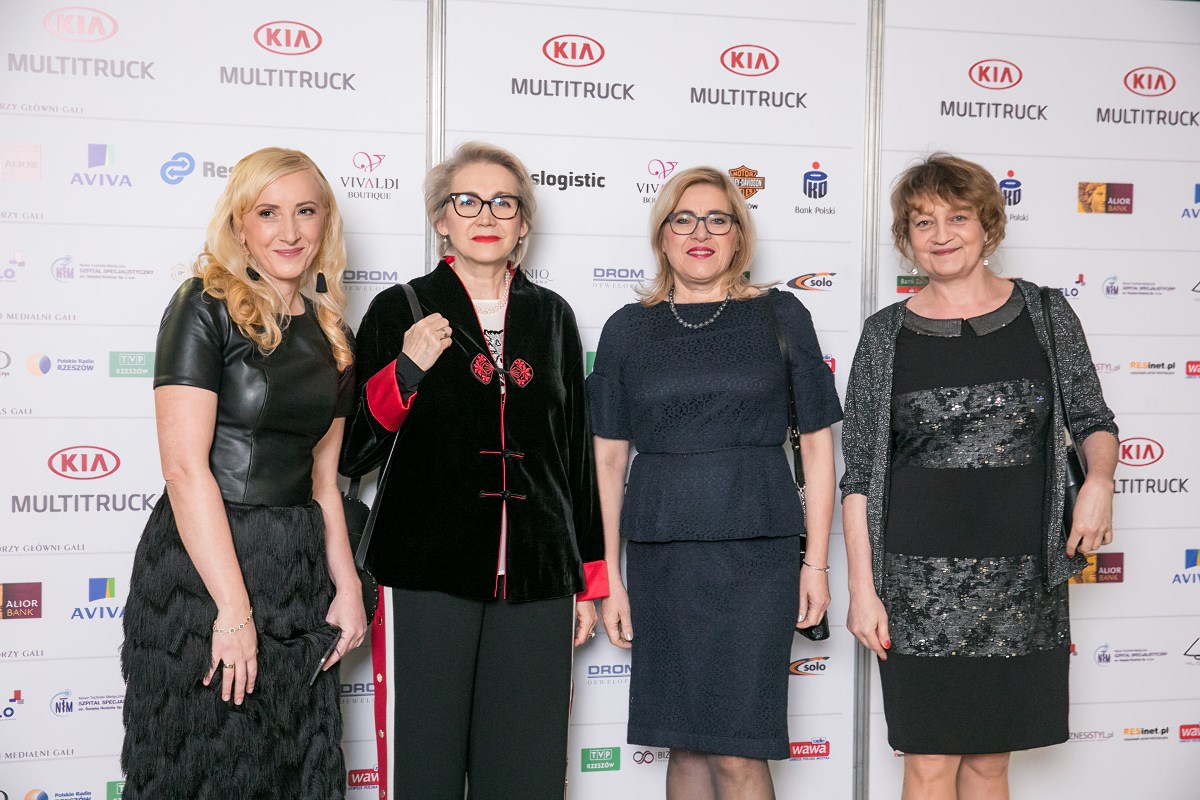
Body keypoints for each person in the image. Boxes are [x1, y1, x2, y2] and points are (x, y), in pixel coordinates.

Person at [840, 153, 1119, 799]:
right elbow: (860, 476)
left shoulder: (1046, 314)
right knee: (928, 763)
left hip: (1022, 579)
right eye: (923, 222)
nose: (941, 234)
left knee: (991, 764)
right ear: (906, 238)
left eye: (957, 217)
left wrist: (1100, 481)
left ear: (987, 224)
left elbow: (1093, 420)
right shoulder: (884, 336)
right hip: (916, 585)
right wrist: (862, 589)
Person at [340, 140, 608, 800]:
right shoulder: (400, 308)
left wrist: (589, 580)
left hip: (540, 578)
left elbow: (575, 453)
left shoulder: (553, 316)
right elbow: (353, 453)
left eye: (503, 202)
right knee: (424, 770)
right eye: (466, 201)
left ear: (523, 223)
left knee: (526, 774)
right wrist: (405, 371)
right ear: (441, 218)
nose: (485, 215)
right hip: (425, 573)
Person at [588, 166, 842, 800]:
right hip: (663, 557)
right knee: (685, 745)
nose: (700, 233)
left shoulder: (781, 315)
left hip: (758, 557)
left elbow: (817, 448)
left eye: (717, 220)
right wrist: (608, 577)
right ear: (662, 235)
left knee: (738, 751)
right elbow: (608, 461)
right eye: (684, 219)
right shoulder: (627, 328)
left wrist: (816, 565)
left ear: (738, 236)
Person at [121, 147, 367, 799]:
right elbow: (184, 469)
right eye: (268, 213)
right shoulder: (202, 305)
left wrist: (347, 587)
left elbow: (324, 481)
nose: (289, 232)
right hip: (206, 566)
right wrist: (232, 611)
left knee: (294, 766)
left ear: (325, 221)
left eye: (305, 211)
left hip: (297, 571)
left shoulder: (333, 334)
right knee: (203, 763)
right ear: (239, 224)